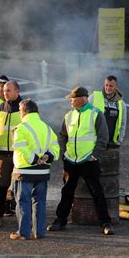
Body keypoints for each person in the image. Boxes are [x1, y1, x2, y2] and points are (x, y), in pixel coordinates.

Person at [47, 86, 114, 236]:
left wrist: (94, 155)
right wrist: (64, 152)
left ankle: (105, 222)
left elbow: (103, 137)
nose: (70, 101)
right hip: (71, 160)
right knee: (67, 191)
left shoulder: (96, 114)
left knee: (97, 191)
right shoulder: (69, 115)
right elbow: (62, 135)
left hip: (88, 160)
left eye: (72, 98)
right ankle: (60, 220)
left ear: (83, 99)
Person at [10, 99, 59, 240]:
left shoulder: (21, 128)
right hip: (43, 171)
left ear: (24, 110)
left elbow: (21, 147)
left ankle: (23, 232)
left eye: (20, 110)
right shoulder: (47, 128)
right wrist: (47, 157)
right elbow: (55, 147)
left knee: (23, 202)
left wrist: (33, 159)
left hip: (25, 171)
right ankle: (39, 232)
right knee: (40, 202)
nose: (19, 113)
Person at [0, 80, 22, 227]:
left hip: (19, 154)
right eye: (3, 90)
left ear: (17, 91)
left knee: (21, 186)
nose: (4, 93)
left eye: (8, 90)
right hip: (2, 154)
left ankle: (23, 216)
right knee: (0, 186)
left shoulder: (24, 109)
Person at [88, 75, 127, 147]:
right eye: (106, 85)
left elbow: (123, 124)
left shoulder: (121, 104)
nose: (108, 88)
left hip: (112, 142)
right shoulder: (94, 97)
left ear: (116, 87)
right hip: (95, 142)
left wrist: (119, 140)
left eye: (111, 86)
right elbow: (85, 117)